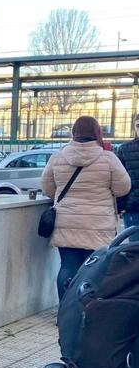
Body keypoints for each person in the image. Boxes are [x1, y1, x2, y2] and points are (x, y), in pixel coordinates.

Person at [41, 116, 131, 300]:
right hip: (98, 223)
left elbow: (47, 186)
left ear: (73, 133)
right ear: (97, 133)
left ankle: (65, 313)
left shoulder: (57, 157)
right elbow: (123, 187)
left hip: (66, 221)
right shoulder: (108, 158)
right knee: (94, 269)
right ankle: (87, 312)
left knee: (67, 266)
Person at [116, 113, 139, 235]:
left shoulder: (125, 149)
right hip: (133, 208)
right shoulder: (124, 149)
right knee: (134, 250)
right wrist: (121, 206)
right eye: (138, 126)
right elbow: (119, 181)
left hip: (133, 207)